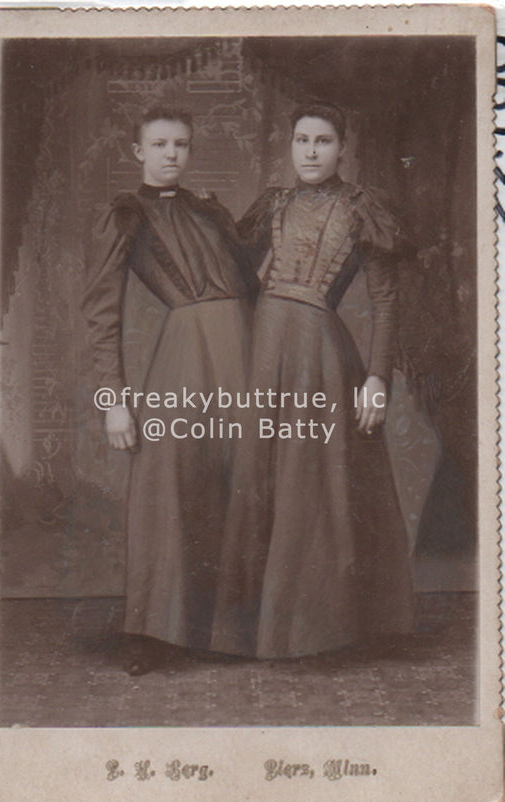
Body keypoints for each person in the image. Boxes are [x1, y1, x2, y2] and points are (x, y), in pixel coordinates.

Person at [212, 103, 414, 660]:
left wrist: (376, 379)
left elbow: (385, 300)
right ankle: (253, 630)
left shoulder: (362, 208)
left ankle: (316, 632)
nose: (310, 151)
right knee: (259, 474)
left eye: (323, 141)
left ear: (342, 148)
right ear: (290, 145)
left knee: (315, 485)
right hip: (265, 352)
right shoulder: (272, 205)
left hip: (321, 357)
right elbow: (233, 275)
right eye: (302, 140)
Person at [83, 106, 256, 675]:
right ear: (138, 152)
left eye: (181, 144)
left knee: (239, 479)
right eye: (159, 145)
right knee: (168, 487)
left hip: (244, 352)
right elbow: (101, 314)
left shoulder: (210, 211)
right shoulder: (125, 215)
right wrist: (114, 402)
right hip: (184, 356)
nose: (171, 154)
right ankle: (149, 632)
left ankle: (228, 630)